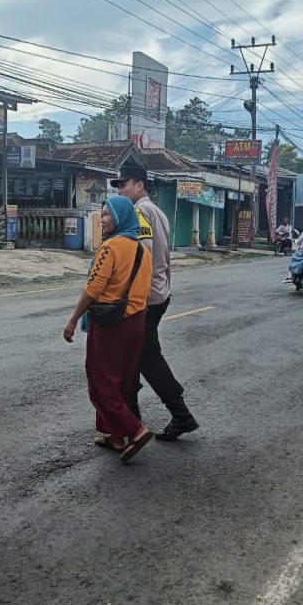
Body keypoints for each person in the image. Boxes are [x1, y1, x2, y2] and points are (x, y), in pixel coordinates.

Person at [63, 196, 154, 463]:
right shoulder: (143, 251)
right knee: (122, 381)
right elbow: (146, 290)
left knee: (101, 381)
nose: (102, 220)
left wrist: (73, 319)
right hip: (137, 322)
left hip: (111, 323)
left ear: (121, 217)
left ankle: (135, 430)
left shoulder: (110, 247)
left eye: (107, 215)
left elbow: (93, 289)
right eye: (102, 214)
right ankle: (115, 436)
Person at [111, 170, 199, 441]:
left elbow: (143, 251)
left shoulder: (139, 211)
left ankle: (180, 415)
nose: (120, 191)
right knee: (132, 357)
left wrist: (126, 290)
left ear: (139, 184)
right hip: (158, 293)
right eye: (118, 186)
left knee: (147, 357)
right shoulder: (157, 211)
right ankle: (131, 421)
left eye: (124, 185)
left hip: (145, 298)